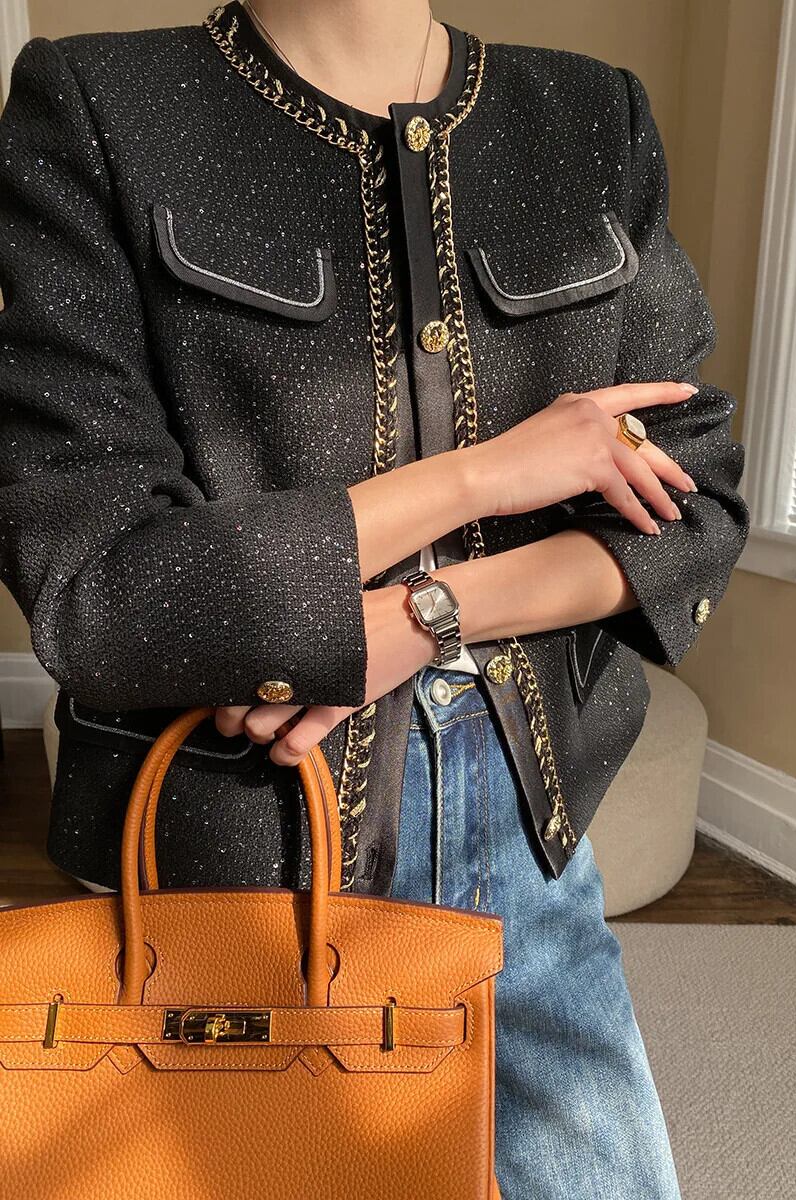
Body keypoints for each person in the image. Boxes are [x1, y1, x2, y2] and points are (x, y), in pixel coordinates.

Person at [0, 2, 749, 1195]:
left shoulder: (590, 116)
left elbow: (690, 502)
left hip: (526, 824)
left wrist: (425, 615)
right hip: (241, 838)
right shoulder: (100, 107)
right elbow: (99, 592)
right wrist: (484, 476)